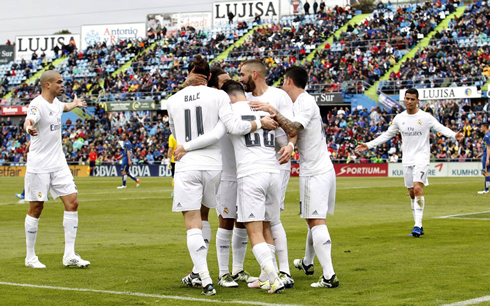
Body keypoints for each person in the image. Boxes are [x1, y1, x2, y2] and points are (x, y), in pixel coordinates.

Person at [166, 55, 277, 296]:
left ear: (189, 73)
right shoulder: (218, 97)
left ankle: (205, 277)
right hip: (215, 168)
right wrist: (261, 122)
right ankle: (208, 272)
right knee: (215, 218)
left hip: (189, 165)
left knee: (195, 222)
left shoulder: (172, 100)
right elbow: (223, 130)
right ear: (209, 77)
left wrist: (187, 145)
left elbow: (176, 132)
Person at [250, 66, 339, 289]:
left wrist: (272, 111)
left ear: (289, 81)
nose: (280, 85)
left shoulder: (304, 102)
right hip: (322, 167)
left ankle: (329, 275)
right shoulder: (302, 102)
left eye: (283, 81)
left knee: (316, 222)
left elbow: (294, 127)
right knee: (313, 219)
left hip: (314, 171)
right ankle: (308, 262)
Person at [355, 88, 464, 237]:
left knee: (418, 187)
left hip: (422, 157)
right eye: (407, 98)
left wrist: (454, 135)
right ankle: (419, 223)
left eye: (413, 99)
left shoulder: (425, 117)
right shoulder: (399, 118)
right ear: (404, 99)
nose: (410, 101)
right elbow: (387, 135)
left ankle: (417, 225)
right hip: (407, 159)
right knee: (412, 193)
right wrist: (368, 145)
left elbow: (440, 128)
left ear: (417, 100)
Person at [23, 70, 90, 268]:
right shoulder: (37, 104)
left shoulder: (57, 104)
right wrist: (28, 128)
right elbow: (29, 119)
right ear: (48, 85)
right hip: (39, 165)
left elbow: (64, 107)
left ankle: (69, 255)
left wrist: (75, 104)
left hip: (59, 163)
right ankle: (30, 257)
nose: (63, 85)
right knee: (36, 208)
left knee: (73, 202)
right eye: (59, 82)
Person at [240, 59, 295, 287]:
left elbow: (293, 127)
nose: (239, 78)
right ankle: (267, 273)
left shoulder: (278, 96)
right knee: (262, 221)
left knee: (272, 220)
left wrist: (291, 146)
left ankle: (283, 271)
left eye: (242, 74)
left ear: (254, 74)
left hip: (277, 161)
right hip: (256, 163)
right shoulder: (242, 99)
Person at [478, 123, 490, 194]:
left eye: (481, 127)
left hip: (487, 156)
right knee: (487, 172)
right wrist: (481, 154)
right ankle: (486, 189)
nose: (480, 129)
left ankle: (486, 190)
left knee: (486, 172)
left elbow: (489, 148)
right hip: (486, 155)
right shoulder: (488, 135)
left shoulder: (487, 136)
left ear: (485, 127)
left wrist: (487, 159)